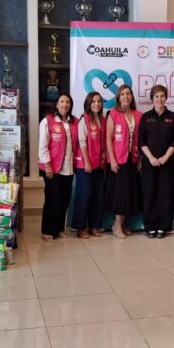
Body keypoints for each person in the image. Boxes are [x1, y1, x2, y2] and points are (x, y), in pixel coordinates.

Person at [138, 85, 174, 239]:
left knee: (166, 194)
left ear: (166, 97)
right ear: (152, 99)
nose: (159, 99)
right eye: (156, 96)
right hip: (149, 163)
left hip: (167, 163)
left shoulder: (173, 117)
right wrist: (151, 158)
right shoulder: (146, 117)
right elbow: (141, 141)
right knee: (149, 194)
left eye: (162, 96)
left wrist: (164, 158)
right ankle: (150, 226)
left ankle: (163, 227)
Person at [104, 85, 142, 238]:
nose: (126, 96)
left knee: (129, 193)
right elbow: (108, 139)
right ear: (118, 98)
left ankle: (123, 223)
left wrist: (140, 158)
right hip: (118, 160)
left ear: (131, 97)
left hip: (132, 159)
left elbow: (140, 139)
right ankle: (116, 225)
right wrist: (113, 160)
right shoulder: (113, 114)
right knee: (120, 193)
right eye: (123, 94)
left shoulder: (138, 115)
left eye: (128, 94)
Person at [38, 93, 77, 242]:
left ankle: (59, 228)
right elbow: (43, 145)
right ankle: (47, 230)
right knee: (52, 199)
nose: (64, 105)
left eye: (67, 102)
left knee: (64, 200)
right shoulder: (47, 121)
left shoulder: (74, 122)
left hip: (68, 168)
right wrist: (47, 165)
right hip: (52, 168)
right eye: (62, 102)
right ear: (56, 104)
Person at [72, 92, 107, 239]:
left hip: (99, 164)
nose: (96, 104)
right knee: (84, 195)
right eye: (93, 101)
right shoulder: (84, 119)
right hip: (85, 165)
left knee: (97, 196)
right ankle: (80, 227)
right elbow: (82, 142)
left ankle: (94, 225)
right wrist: (86, 161)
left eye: (99, 101)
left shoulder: (103, 120)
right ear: (88, 103)